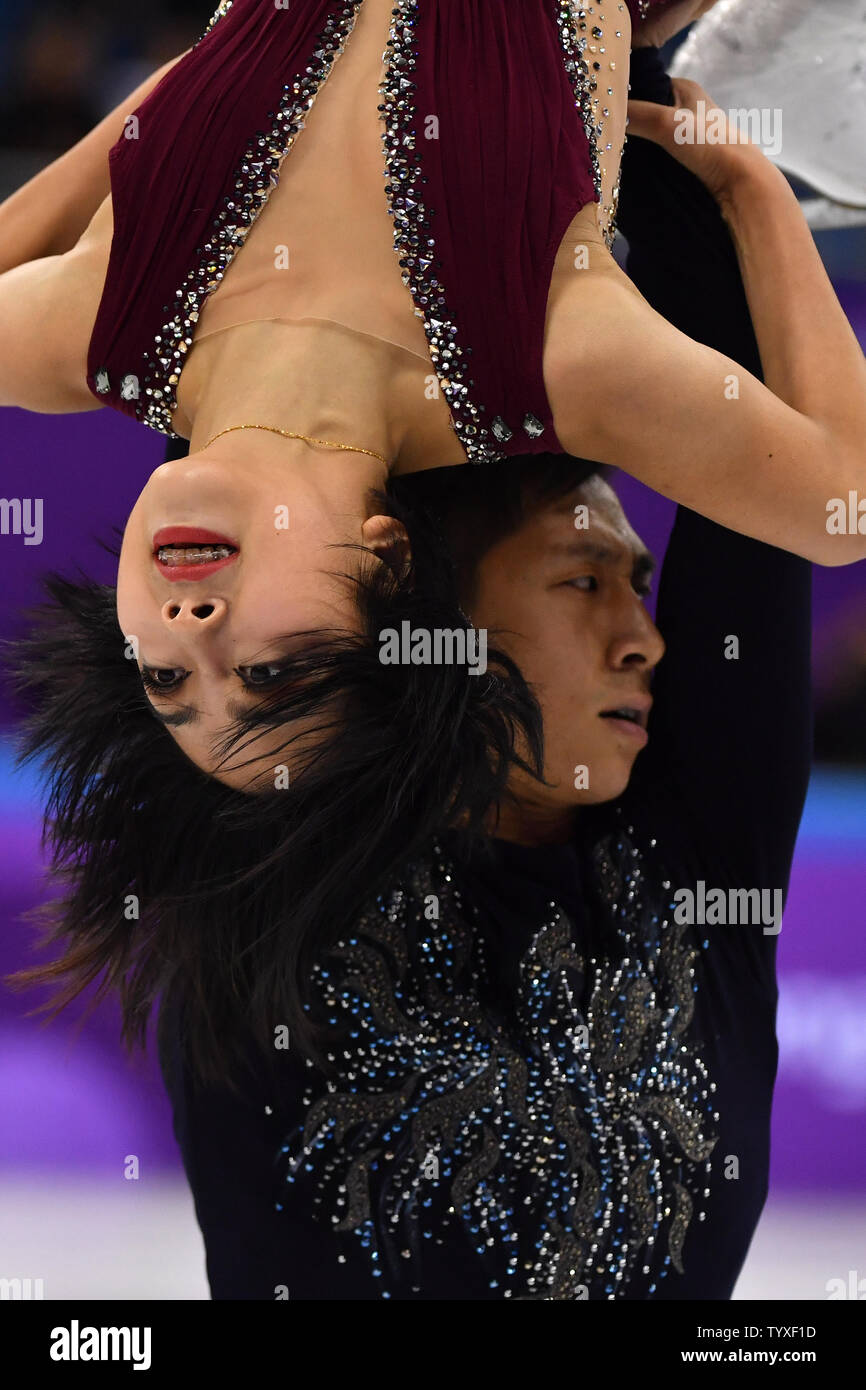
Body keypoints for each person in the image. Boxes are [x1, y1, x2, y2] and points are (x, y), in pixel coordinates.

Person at [9, 44, 814, 1299]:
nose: (642, 639)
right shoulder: (699, 860)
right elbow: (785, 531)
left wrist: (195, 91)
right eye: (599, 580)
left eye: (589, 578)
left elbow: (244, 463)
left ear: (406, 598)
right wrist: (722, 172)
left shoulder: (275, 861)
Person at [0, 0, 863, 792]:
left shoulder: (105, 332)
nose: (193, 622)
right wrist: (751, 192)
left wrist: (160, 105)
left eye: (167, 675)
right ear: (387, 562)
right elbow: (843, 508)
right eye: (267, 673)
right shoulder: (536, 360)